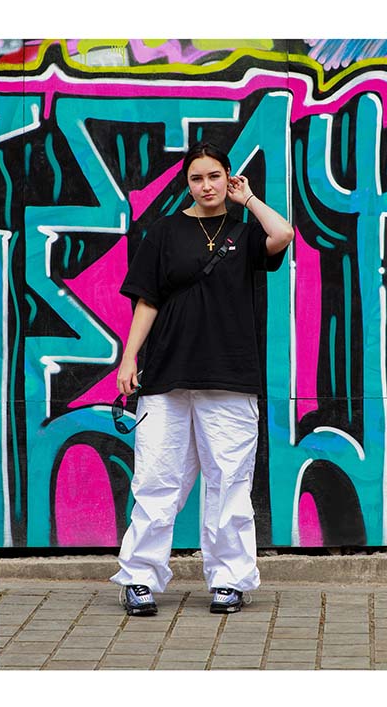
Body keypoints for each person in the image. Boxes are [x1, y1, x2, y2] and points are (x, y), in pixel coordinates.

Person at [110, 141, 294, 615]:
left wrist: (248, 199)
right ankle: (139, 579)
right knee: (155, 480)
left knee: (229, 481)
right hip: (167, 375)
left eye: (215, 176)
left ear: (228, 178)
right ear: (186, 183)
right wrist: (129, 358)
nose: (207, 185)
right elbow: (146, 301)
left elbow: (284, 234)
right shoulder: (165, 233)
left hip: (230, 375)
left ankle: (229, 581)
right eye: (197, 178)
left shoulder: (245, 231)